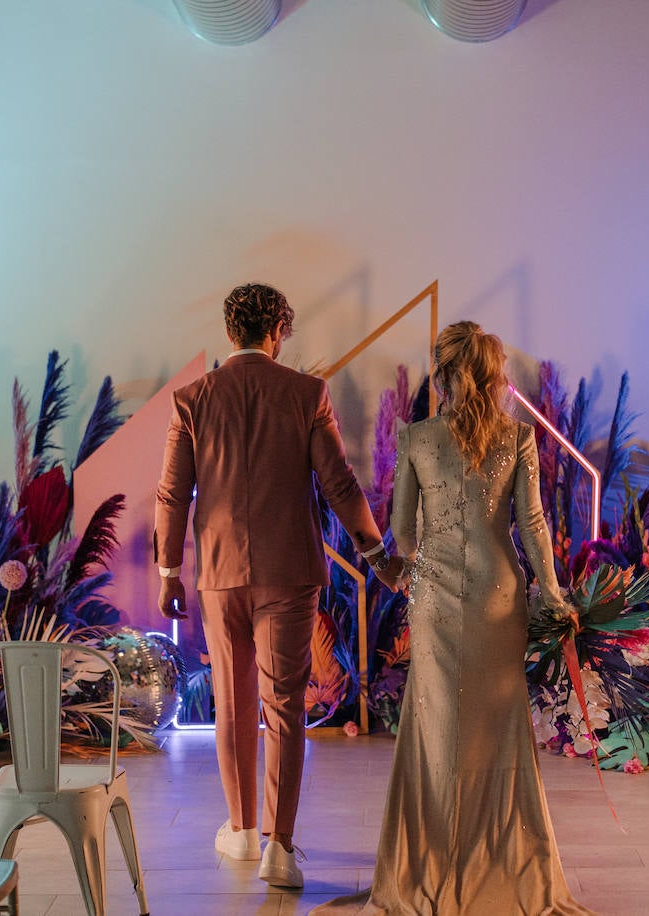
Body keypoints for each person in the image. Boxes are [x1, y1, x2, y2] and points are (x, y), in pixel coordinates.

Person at [314, 321, 595, 914]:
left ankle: (434, 862)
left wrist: (402, 565)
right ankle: (504, 863)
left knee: (438, 730)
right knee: (498, 728)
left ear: (440, 372)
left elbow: (402, 532)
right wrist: (552, 590)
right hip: (500, 593)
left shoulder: (416, 437)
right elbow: (535, 524)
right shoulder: (518, 437)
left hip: (437, 598)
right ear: (494, 376)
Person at [154, 283, 400, 890]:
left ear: (229, 333)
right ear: (278, 333)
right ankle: (280, 848)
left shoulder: (192, 398)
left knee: (232, 702)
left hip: (217, 573)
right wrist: (375, 552)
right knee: (283, 706)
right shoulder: (306, 393)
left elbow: (171, 493)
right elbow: (339, 483)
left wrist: (168, 572)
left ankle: (239, 832)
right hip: (289, 571)